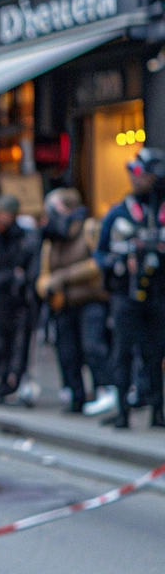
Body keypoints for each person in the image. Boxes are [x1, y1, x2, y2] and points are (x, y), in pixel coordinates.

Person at [96, 147, 165, 428]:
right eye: (133, 173)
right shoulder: (119, 213)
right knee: (122, 353)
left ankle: (157, 410)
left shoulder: (161, 211)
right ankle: (122, 410)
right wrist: (116, 262)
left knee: (156, 354)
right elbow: (100, 253)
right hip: (125, 295)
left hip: (158, 295)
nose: (137, 179)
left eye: (141, 173)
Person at [37, 188, 115, 415]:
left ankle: (105, 389)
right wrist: (45, 286)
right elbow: (43, 274)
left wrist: (62, 277)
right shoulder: (51, 240)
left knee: (93, 346)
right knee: (67, 351)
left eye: (55, 208)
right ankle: (75, 395)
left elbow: (98, 262)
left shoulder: (89, 229)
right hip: (63, 304)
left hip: (91, 300)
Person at [0, 194, 40, 405]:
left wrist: (18, 278)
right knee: (0, 344)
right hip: (1, 300)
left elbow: (30, 271)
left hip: (22, 301)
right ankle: (1, 384)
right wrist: (11, 276)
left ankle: (18, 382)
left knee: (21, 345)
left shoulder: (25, 238)